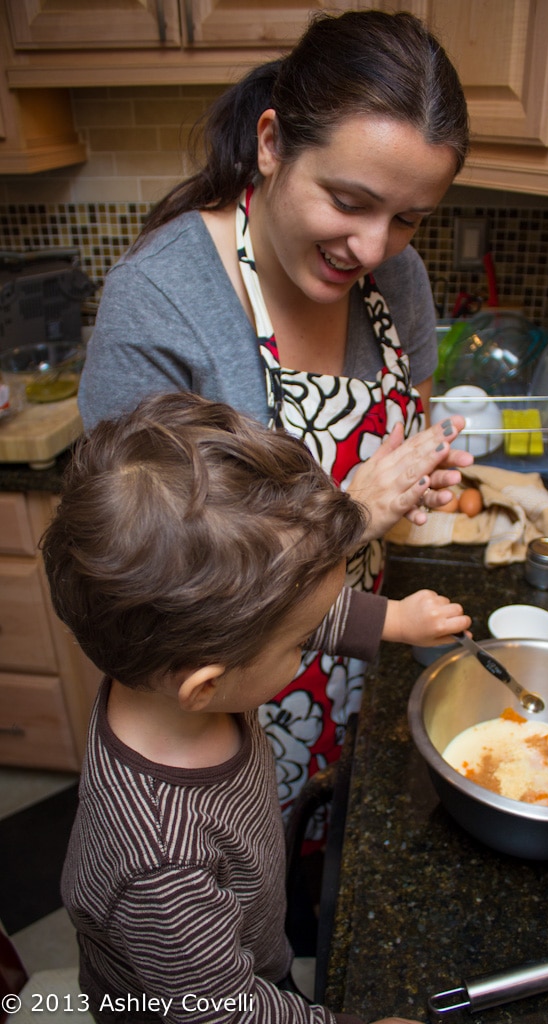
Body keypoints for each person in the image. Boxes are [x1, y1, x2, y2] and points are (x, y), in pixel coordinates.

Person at [77, 8, 472, 826]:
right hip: (219, 714)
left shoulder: (398, 283)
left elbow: (405, 423)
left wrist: (416, 477)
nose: (372, 246)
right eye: (348, 200)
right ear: (270, 142)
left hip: (362, 653)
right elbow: (147, 589)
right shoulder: (162, 304)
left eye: (406, 218)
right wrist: (356, 508)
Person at [42, 392, 422, 1024]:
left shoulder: (161, 672)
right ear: (206, 686)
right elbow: (230, 1012)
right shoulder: (162, 864)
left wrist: (393, 619)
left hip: (247, 949)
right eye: (299, 645)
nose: (307, 645)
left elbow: (287, 615)